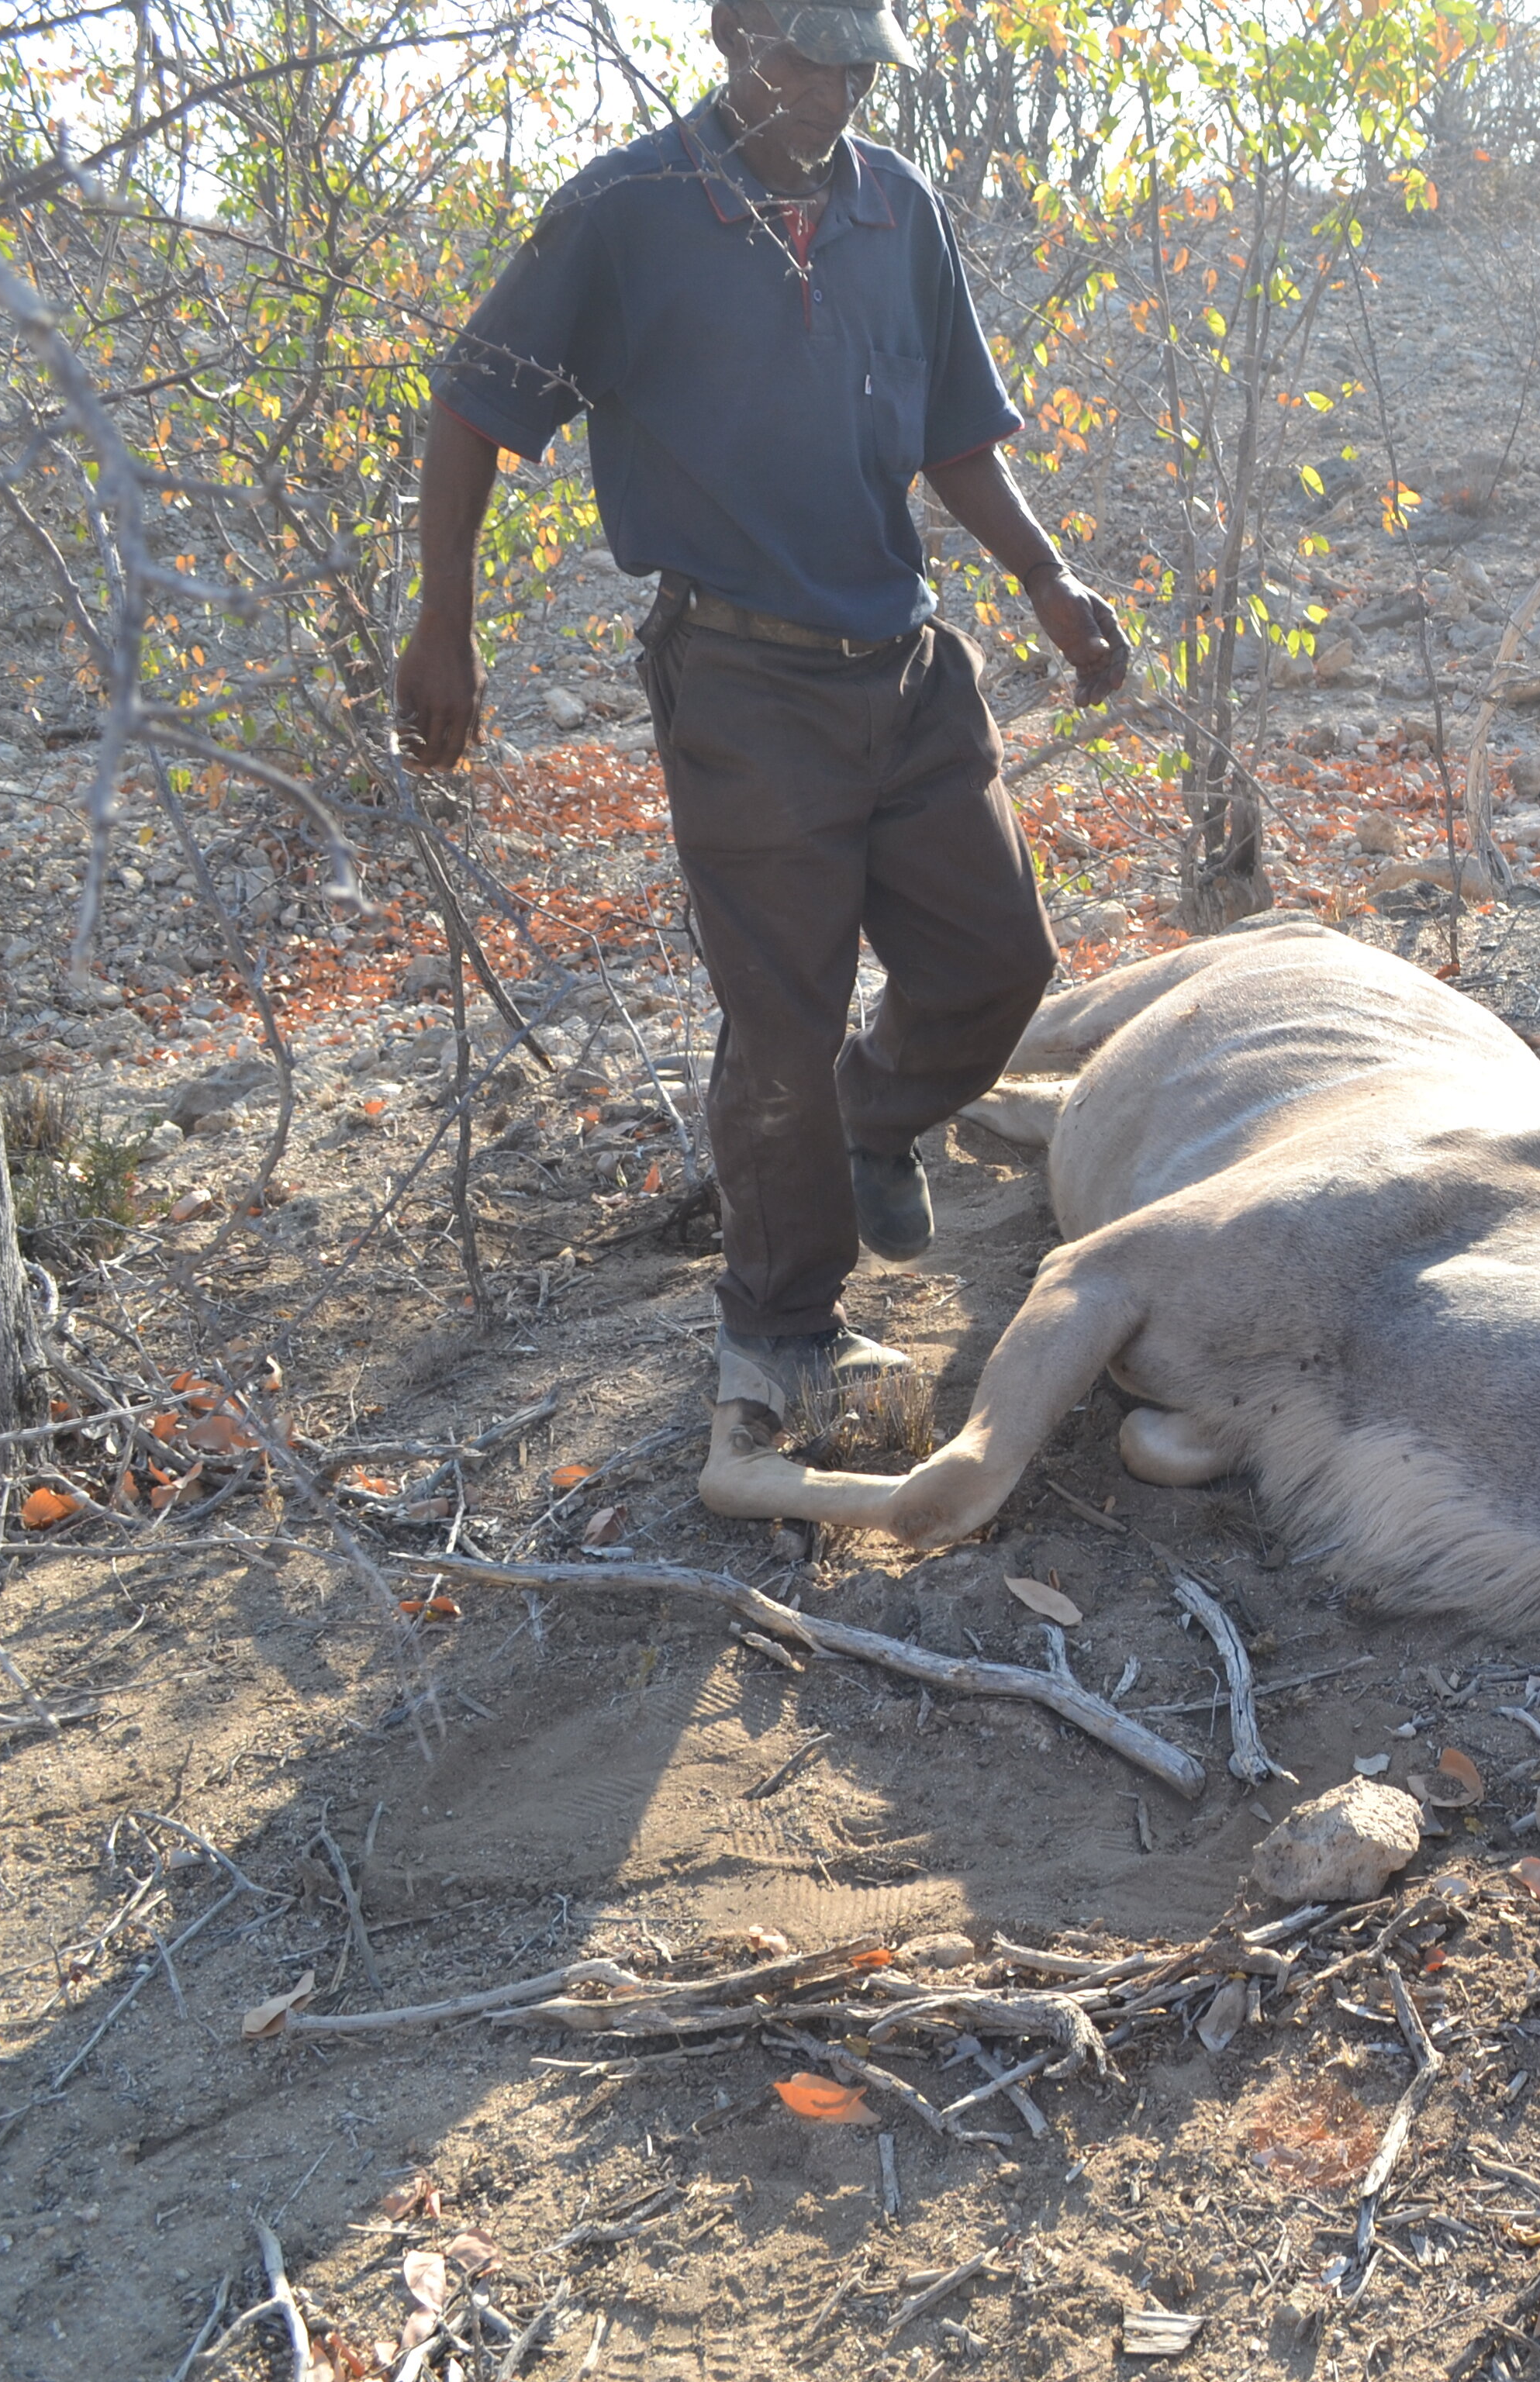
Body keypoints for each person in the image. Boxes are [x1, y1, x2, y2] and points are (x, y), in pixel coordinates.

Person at [392, 0, 1130, 1422]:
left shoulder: (894, 209)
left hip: (906, 664)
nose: (834, 89)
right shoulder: (625, 212)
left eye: (857, 63)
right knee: (778, 1018)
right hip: (740, 680)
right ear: (732, 38)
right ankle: (780, 1328)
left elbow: (954, 435)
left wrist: (1046, 577)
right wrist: (444, 625)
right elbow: (472, 411)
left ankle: (875, 1119)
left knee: (996, 960)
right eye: (806, 55)